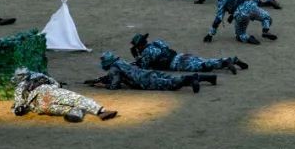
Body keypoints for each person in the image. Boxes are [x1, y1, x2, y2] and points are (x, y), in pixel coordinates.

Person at [11, 68, 117, 122]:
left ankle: (74, 112)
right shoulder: (38, 76)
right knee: (76, 98)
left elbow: (18, 106)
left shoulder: (20, 87)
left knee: (58, 108)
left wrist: (19, 108)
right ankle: (100, 111)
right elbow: (55, 83)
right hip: (48, 92)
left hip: (39, 105)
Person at [130, 32, 246, 75]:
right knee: (204, 62)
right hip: (180, 56)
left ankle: (226, 62)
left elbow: (143, 68)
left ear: (139, 46)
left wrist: (136, 56)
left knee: (203, 66)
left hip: (177, 64)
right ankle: (231, 60)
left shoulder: (146, 53)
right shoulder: (157, 42)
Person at [88, 51, 216, 90]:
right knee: (170, 79)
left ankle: (192, 78)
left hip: (144, 81)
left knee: (172, 84)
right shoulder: (120, 62)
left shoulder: (114, 69)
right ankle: (208, 78)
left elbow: (114, 85)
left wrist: (102, 85)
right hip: (147, 73)